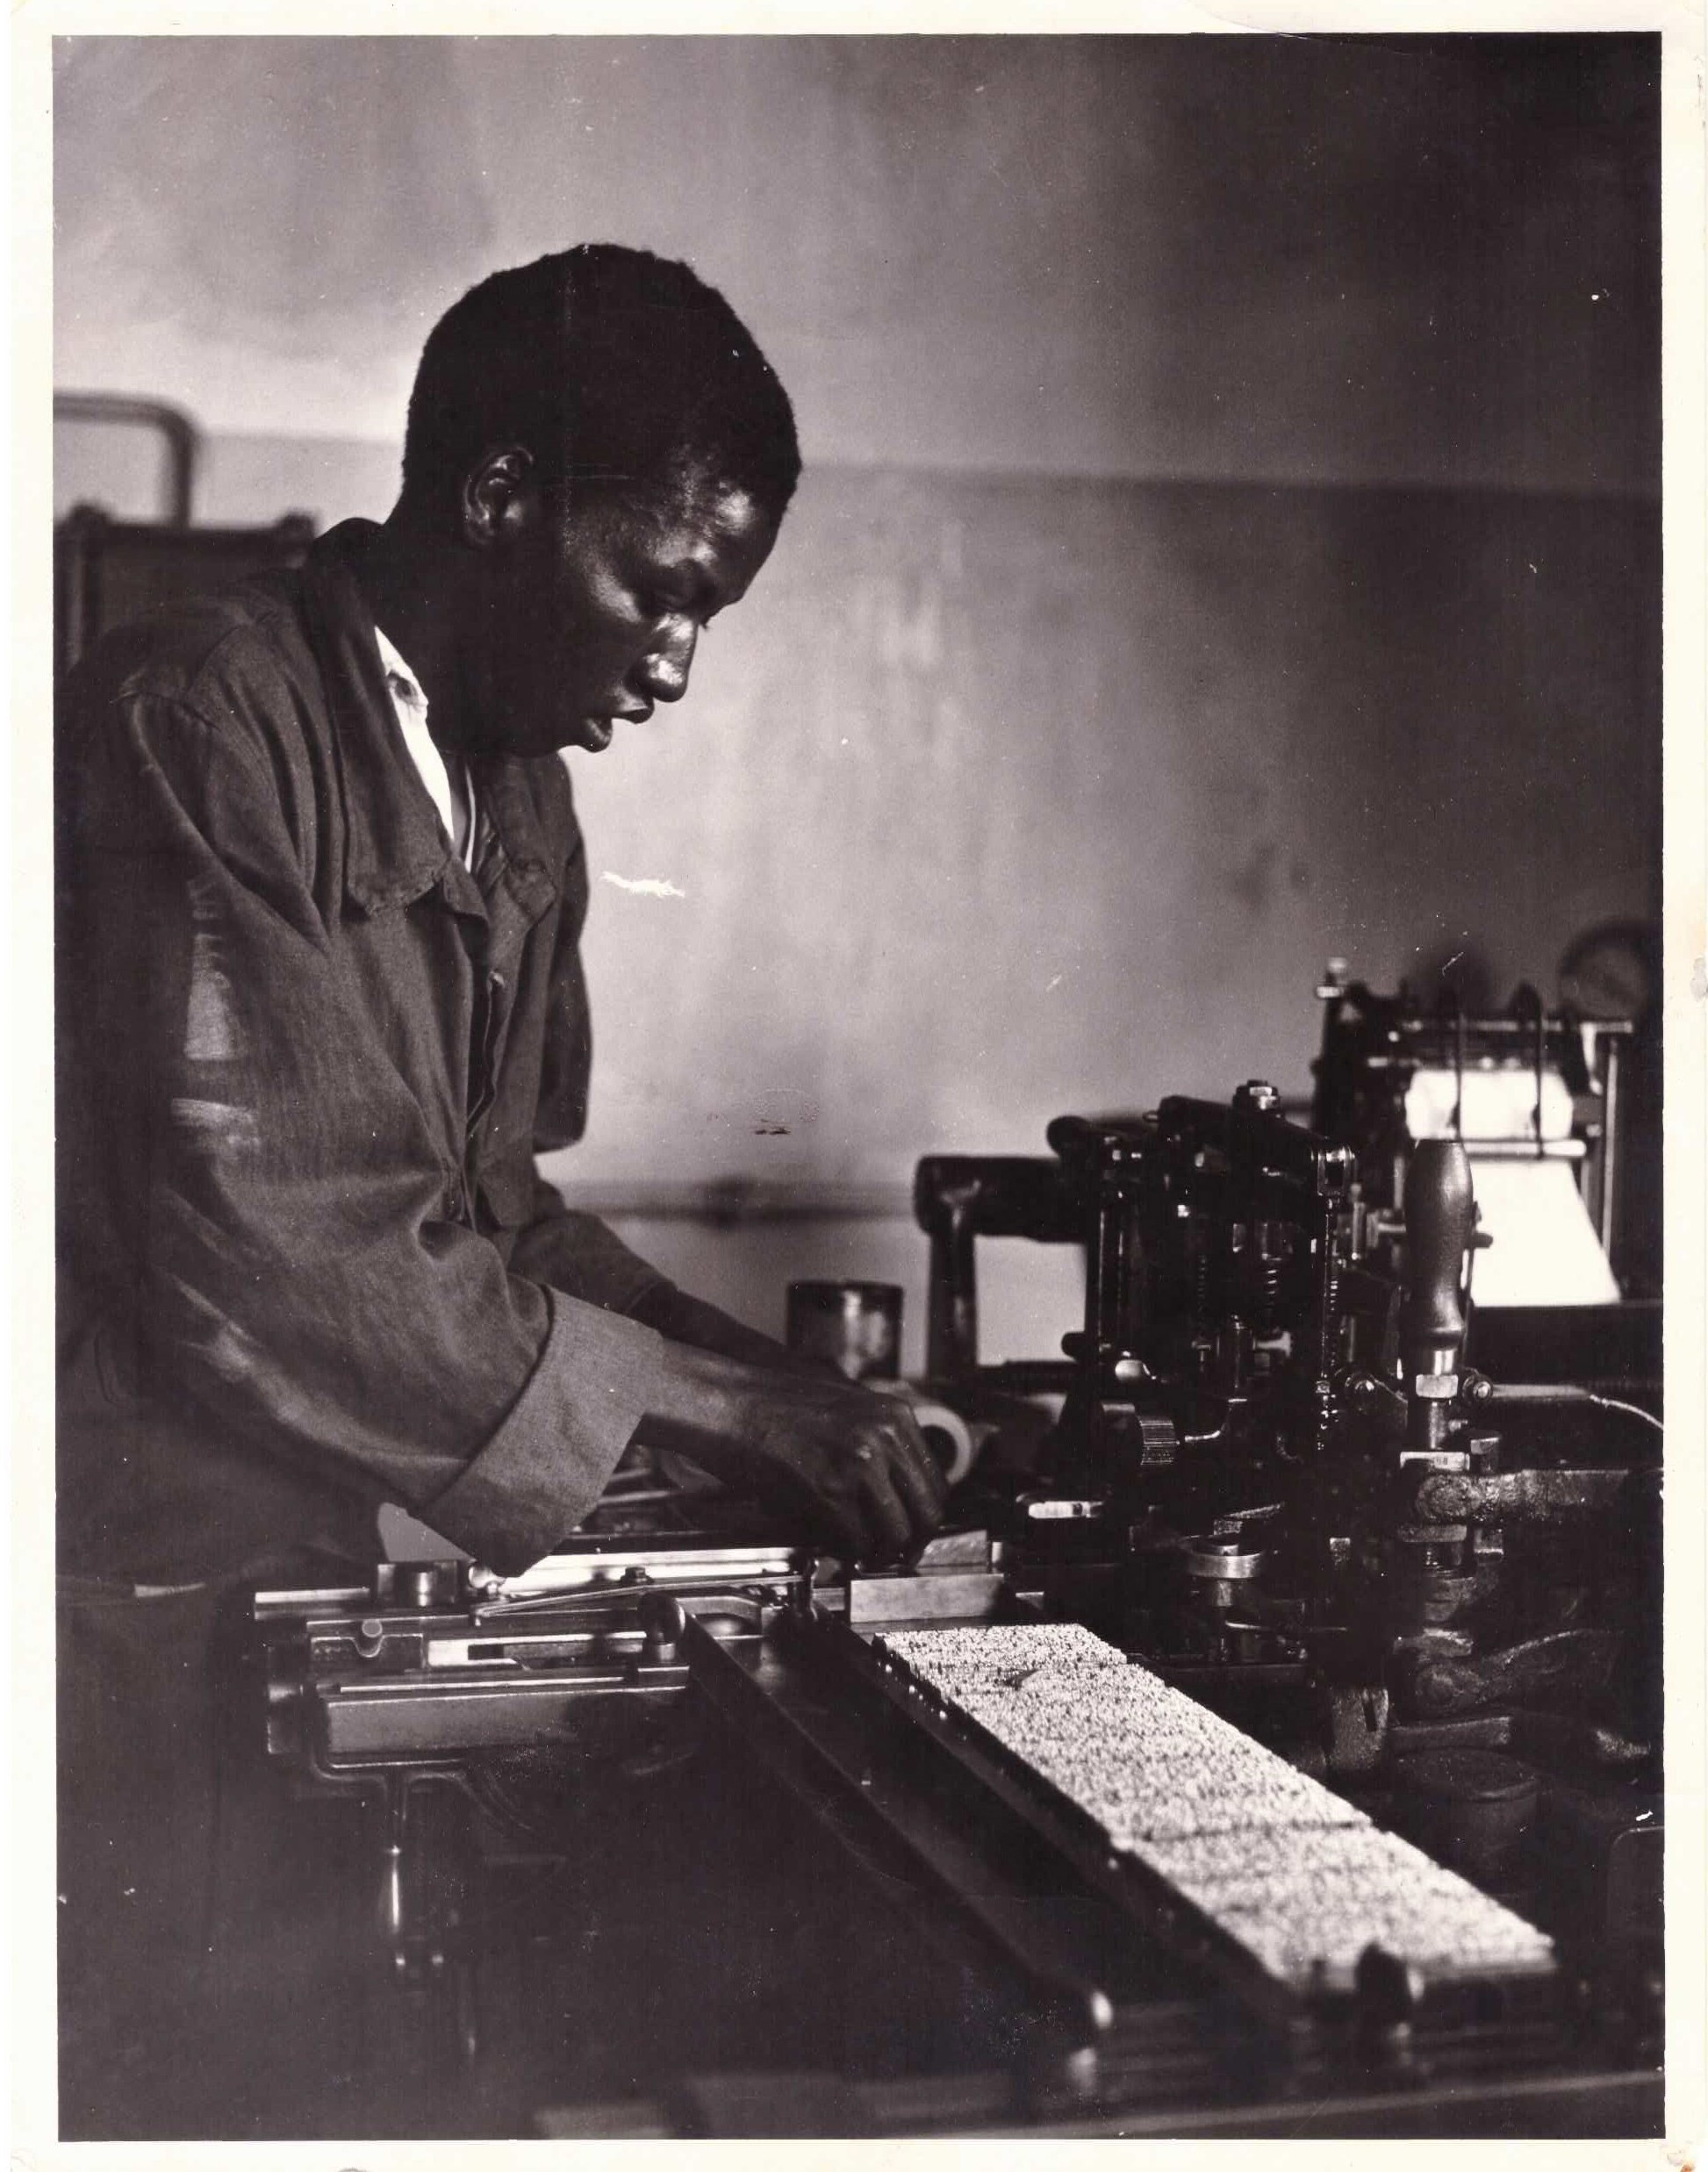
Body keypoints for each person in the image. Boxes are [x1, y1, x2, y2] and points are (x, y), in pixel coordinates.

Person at [54, 243, 945, 2137]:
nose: (677, 665)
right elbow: (280, 1244)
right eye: (662, 591)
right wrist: (729, 1403)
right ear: (498, 496)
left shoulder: (514, 793)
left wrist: (795, 1395)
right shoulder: (199, 718)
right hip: (93, 1601)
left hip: (282, 1566)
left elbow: (494, 1201)